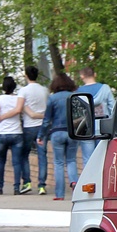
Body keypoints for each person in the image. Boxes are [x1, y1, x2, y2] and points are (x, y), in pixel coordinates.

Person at [39, 72, 79, 201]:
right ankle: (74, 182)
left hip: (57, 133)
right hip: (72, 132)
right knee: (71, 160)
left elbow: (46, 121)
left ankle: (60, 194)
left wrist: (41, 135)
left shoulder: (52, 99)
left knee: (59, 163)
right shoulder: (74, 97)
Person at [18, 66, 49, 195]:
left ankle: (27, 182)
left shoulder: (23, 91)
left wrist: (31, 113)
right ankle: (42, 185)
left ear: (26, 76)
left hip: (29, 126)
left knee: (24, 154)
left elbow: (19, 108)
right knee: (42, 156)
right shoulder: (45, 90)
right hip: (43, 126)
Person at [0, 76, 25, 195]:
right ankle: (16, 187)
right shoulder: (18, 99)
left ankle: (0, 186)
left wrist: (0, 117)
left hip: (2, 133)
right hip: (16, 132)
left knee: (1, 161)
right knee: (16, 162)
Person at [77, 66, 113, 167]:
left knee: (88, 159)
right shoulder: (105, 88)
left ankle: (89, 180)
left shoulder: (79, 92)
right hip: (103, 128)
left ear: (82, 76)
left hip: (86, 129)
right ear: (95, 74)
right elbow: (113, 108)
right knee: (103, 158)